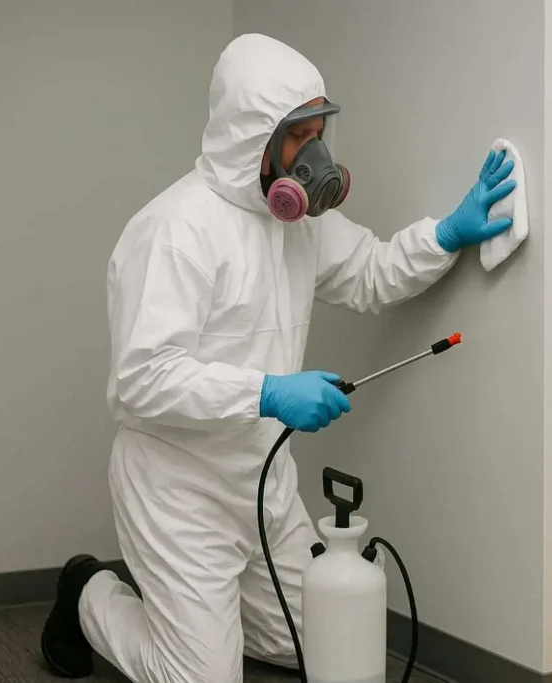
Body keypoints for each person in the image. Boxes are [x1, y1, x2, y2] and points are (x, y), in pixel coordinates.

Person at [39, 33, 516, 682]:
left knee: (321, 645)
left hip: (263, 480)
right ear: (251, 136)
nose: (315, 154)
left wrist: (445, 234)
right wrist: (267, 392)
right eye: (299, 136)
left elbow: (372, 273)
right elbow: (140, 381)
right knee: (203, 676)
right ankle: (89, 591)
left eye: (319, 132)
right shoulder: (174, 230)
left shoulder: (296, 223)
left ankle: (204, 613)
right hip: (177, 488)